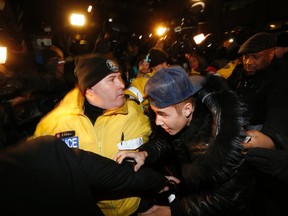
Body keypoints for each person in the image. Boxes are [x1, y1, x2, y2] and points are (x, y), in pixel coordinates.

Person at [115, 66, 254, 216]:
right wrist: (145, 153)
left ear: (187, 109)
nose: (157, 122)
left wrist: (174, 211)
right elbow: (167, 142)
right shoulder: (182, 123)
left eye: (163, 114)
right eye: (155, 113)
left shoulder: (215, 140)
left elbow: (228, 199)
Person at [30, 54, 154, 216]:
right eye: (111, 79)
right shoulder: (53, 125)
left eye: (120, 77)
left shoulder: (134, 112)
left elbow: (156, 144)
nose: (122, 84)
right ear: (89, 90)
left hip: (135, 208)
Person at [0, 135, 179, 214]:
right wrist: (160, 182)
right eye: (111, 79)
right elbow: (117, 176)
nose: (121, 84)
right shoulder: (44, 151)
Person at [226, 32, 288, 216]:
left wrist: (268, 138)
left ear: (270, 54)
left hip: (261, 141)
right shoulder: (239, 72)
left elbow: (277, 121)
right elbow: (225, 95)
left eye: (255, 57)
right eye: (245, 56)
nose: (248, 62)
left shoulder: (281, 78)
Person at [125, 47, 169, 112]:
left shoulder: (159, 79)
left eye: (166, 63)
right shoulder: (148, 81)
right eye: (162, 63)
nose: (166, 67)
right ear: (155, 66)